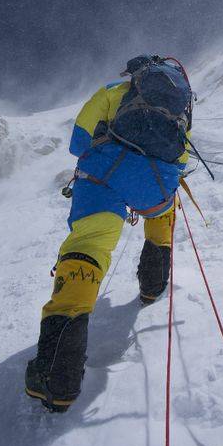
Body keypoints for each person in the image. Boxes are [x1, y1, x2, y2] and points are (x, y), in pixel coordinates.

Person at [25, 54, 193, 412]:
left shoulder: (111, 91)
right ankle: (152, 286)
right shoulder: (180, 102)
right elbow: (180, 159)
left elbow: (79, 141)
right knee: (163, 213)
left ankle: (58, 378)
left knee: (88, 245)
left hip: (104, 170)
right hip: (155, 184)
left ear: (134, 75)